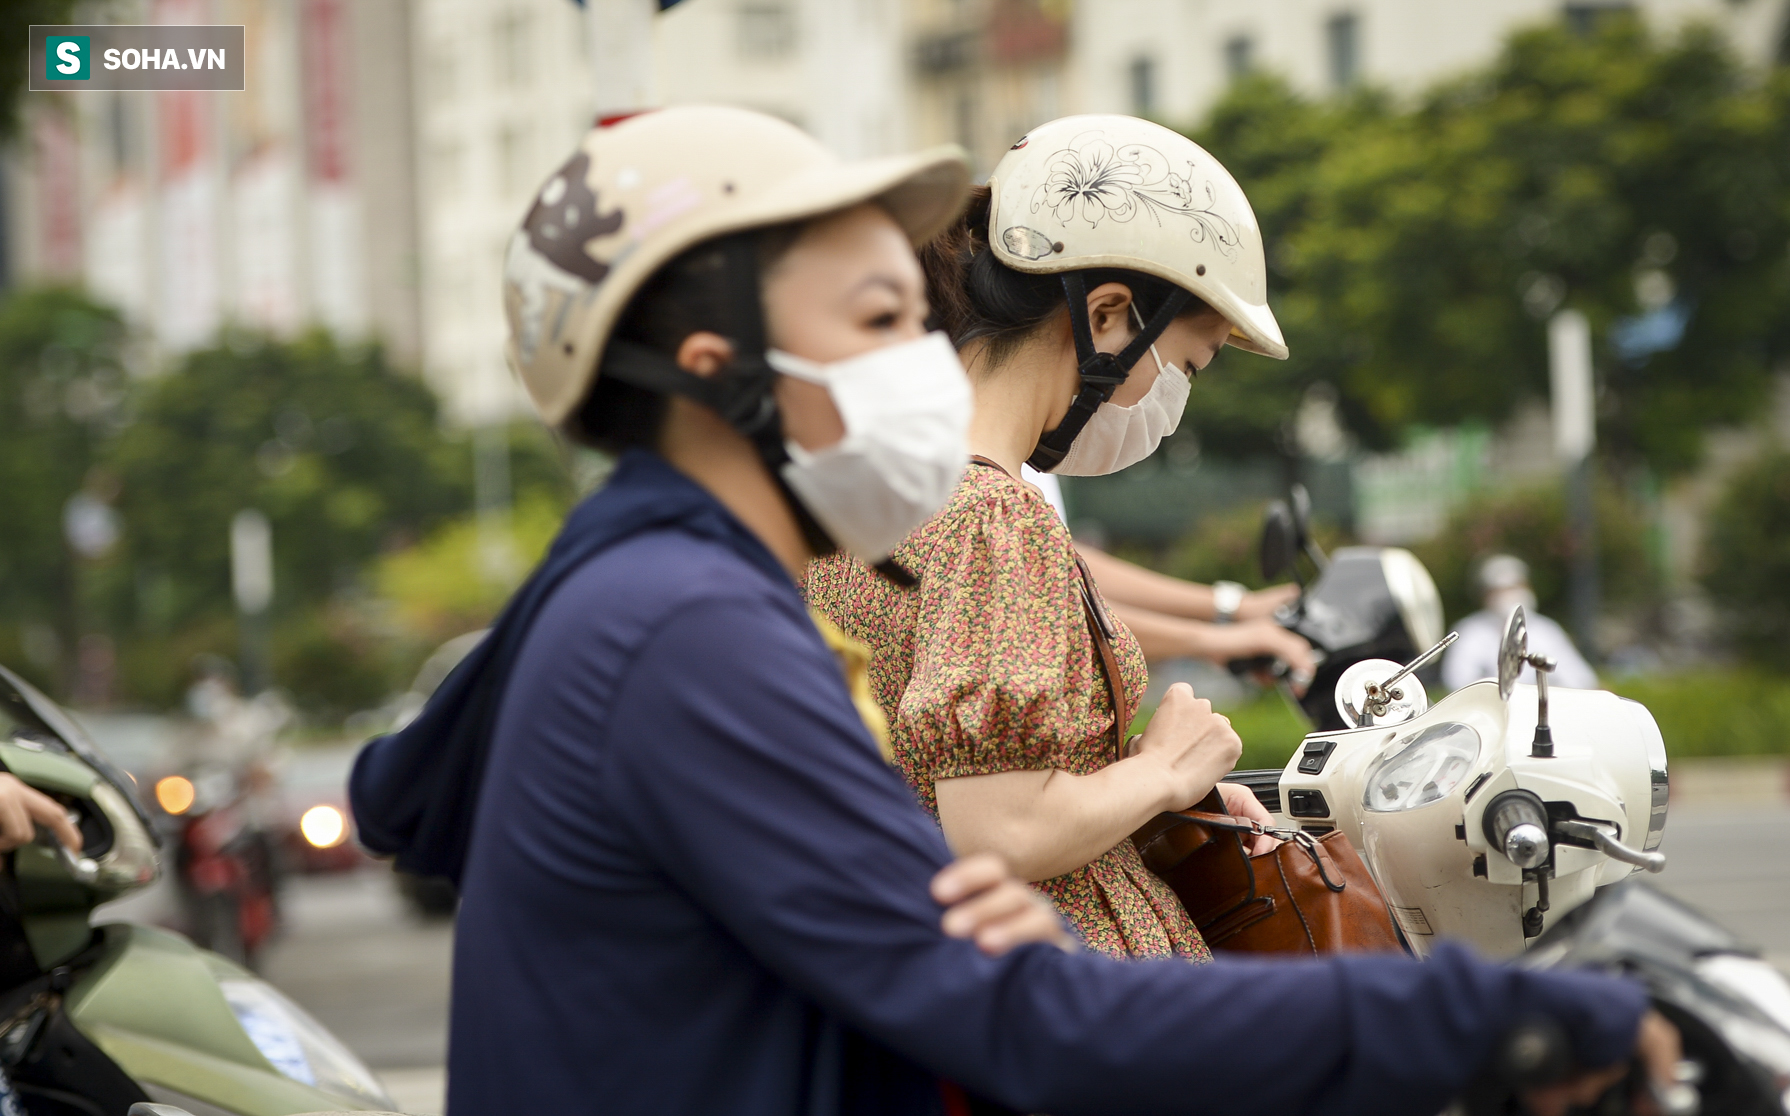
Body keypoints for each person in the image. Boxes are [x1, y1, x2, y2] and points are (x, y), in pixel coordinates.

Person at [350, 106, 1676, 1116]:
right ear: (716, 372)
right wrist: (1488, 1017)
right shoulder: (685, 630)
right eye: (881, 319)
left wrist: (908, 876)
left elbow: (401, 793)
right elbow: (1023, 1011)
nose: (925, 360)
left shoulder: (625, 578)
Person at [805, 114, 1305, 959]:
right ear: (1109, 316)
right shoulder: (994, 519)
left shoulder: (861, 493)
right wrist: (1164, 771)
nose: (1172, 397)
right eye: (1188, 363)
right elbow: (995, 830)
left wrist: (1138, 789)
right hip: (1060, 994)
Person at [1022, 466, 1315, 678]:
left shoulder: (1029, 454)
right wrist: (1217, 637)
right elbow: (1040, 609)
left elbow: (1063, 567)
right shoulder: (995, 477)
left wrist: (1234, 608)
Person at [1442, 553, 1598, 691]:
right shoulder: (1469, 631)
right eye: (1501, 589)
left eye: (1515, 586)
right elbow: (1458, 683)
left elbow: (1580, 679)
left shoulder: (1547, 630)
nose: (1510, 595)